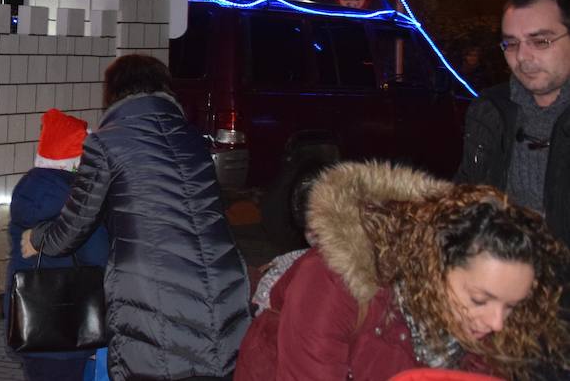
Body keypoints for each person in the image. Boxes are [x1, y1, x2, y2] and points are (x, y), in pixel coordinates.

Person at [21, 54, 249, 381]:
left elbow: (75, 225)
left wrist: (37, 238)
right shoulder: (193, 139)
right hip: (221, 279)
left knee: (156, 366)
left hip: (155, 285)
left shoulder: (106, 142)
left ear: (114, 92)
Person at [235, 162, 569, 380]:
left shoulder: (482, 320)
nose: (496, 322)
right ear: (432, 263)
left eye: (510, 306)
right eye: (480, 299)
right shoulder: (332, 280)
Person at [455, 0, 570, 247]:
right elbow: (465, 197)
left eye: (541, 42)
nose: (522, 56)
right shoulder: (490, 110)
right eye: (511, 43)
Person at [6, 108, 110, 381]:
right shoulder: (79, 205)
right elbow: (98, 256)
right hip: (68, 326)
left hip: (29, 322)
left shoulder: (26, 192)